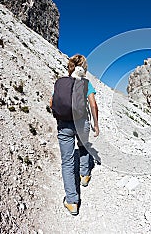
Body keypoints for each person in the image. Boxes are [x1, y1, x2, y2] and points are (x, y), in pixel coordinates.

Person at [50, 54, 99, 215]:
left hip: (64, 124)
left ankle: (72, 202)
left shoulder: (61, 82)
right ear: (83, 69)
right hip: (82, 122)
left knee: (67, 162)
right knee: (84, 145)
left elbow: (51, 103)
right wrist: (96, 124)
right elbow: (93, 104)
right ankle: (84, 175)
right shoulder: (86, 83)